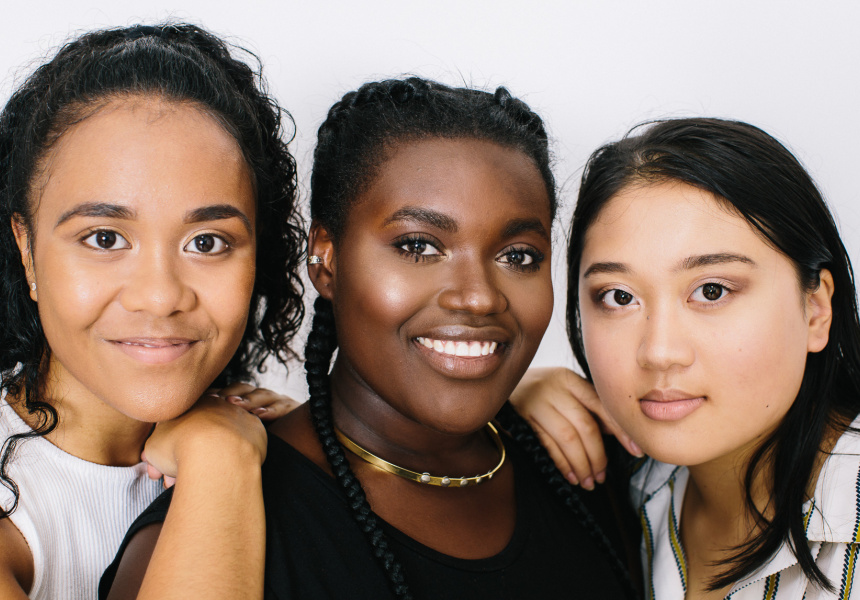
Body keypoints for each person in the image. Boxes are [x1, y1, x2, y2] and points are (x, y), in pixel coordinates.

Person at [103, 77, 640, 599]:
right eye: (418, 247)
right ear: (326, 259)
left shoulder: (585, 463)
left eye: (517, 256)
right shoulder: (208, 531)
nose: (478, 298)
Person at [0, 23, 305, 599]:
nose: (161, 296)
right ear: (27, 250)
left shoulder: (274, 441)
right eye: (105, 238)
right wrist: (219, 458)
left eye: (207, 242)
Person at [512, 118, 860, 599]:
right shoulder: (624, 487)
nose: (659, 352)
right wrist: (503, 393)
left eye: (712, 291)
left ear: (816, 309)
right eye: (618, 297)